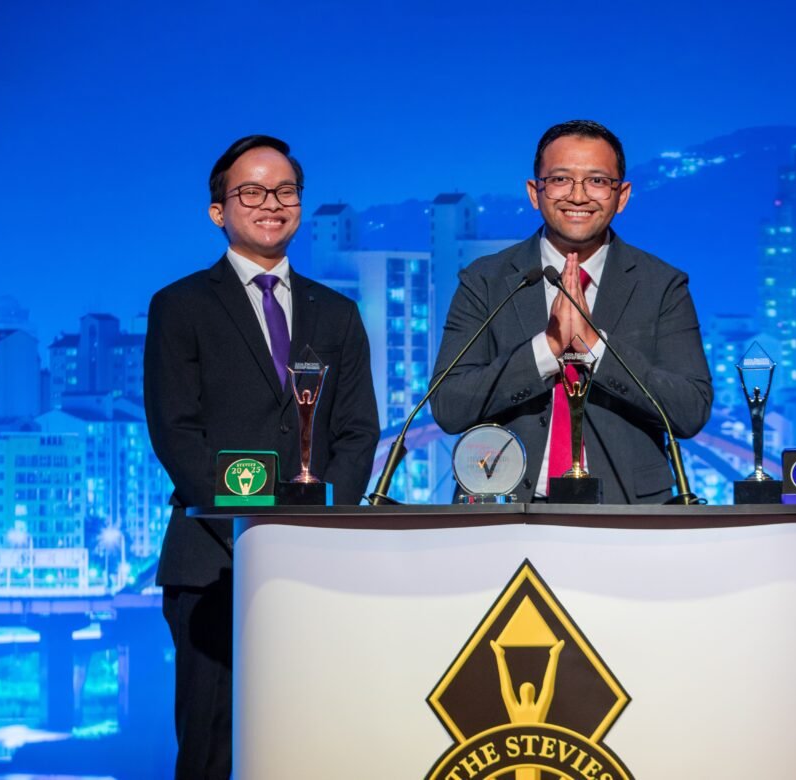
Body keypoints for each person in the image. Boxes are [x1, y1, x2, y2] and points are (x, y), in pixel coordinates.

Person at [144, 135, 379, 778]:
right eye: (251, 191)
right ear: (218, 210)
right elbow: (175, 432)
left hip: (313, 561)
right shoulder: (180, 306)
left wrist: (314, 525)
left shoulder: (337, 313)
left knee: (313, 742)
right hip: (212, 561)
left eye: (285, 191)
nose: (271, 203)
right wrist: (251, 529)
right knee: (212, 747)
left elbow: (358, 432)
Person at [430, 120, 712, 503]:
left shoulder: (661, 286)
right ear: (535, 192)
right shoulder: (486, 281)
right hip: (505, 510)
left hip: (626, 513)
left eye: (597, 181)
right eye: (561, 180)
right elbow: (448, 406)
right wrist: (547, 349)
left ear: (622, 195)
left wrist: (596, 347)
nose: (578, 196)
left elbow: (690, 411)